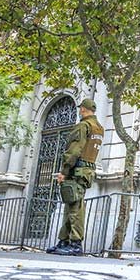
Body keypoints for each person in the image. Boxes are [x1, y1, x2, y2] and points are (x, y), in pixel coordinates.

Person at [46, 98, 104, 256]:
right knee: (71, 205)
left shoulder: (83, 126)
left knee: (75, 208)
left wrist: (64, 171)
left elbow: (74, 151)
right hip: (86, 171)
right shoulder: (98, 128)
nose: (80, 111)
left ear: (83, 109)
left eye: (80, 109)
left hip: (76, 170)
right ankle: (64, 240)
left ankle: (75, 243)